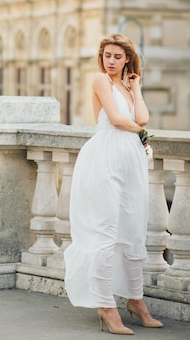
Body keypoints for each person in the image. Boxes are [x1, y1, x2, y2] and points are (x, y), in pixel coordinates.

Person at [64, 33, 163, 335]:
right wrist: (143, 135)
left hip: (130, 161)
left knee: (133, 230)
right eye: (107, 55)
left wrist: (136, 87)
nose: (111, 61)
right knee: (105, 232)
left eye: (118, 57)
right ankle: (106, 306)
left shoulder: (128, 86)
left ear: (128, 60)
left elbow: (142, 117)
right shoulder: (100, 81)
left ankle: (136, 301)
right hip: (105, 158)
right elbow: (117, 120)